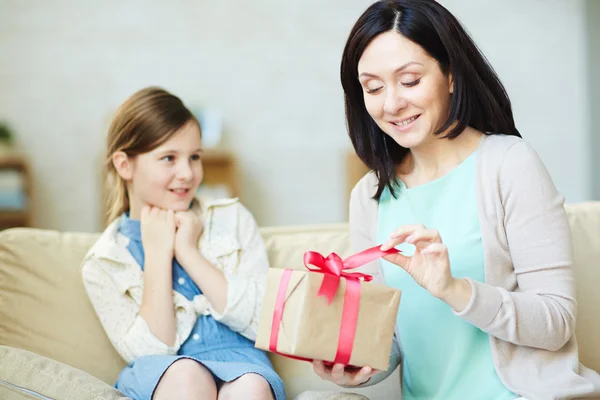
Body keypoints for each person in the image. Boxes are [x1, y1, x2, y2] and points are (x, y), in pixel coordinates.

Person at [311, 1, 600, 399]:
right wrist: (354, 362)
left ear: (450, 75)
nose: (391, 104)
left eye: (410, 81)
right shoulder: (370, 195)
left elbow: (556, 322)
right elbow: (392, 340)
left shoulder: (508, 164)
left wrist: (454, 289)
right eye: (373, 88)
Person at [81, 87, 285, 400]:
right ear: (124, 165)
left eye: (194, 157)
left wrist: (188, 252)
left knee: (251, 387)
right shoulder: (104, 261)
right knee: (187, 376)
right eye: (168, 158)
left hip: (242, 364)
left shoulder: (232, 219)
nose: (187, 173)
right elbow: (151, 349)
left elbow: (263, 323)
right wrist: (158, 254)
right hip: (166, 374)